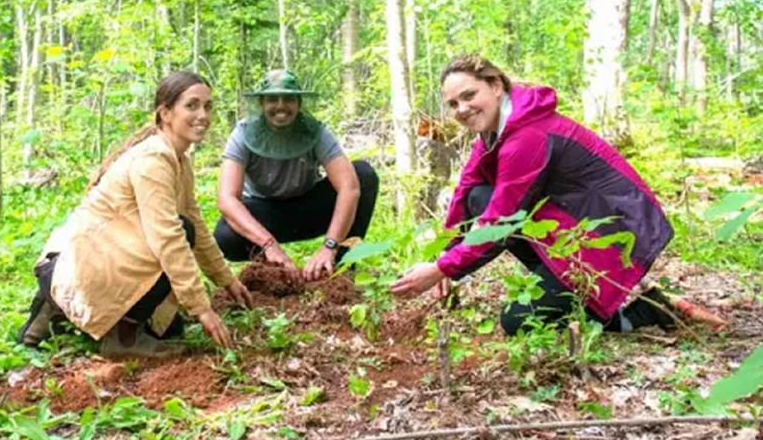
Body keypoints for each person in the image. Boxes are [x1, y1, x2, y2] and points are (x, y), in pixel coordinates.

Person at [391, 55, 675, 334]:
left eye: (469, 95)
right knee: (478, 196)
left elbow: (500, 223)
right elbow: (467, 188)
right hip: (574, 222)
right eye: (453, 103)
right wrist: (445, 254)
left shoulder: (526, 136)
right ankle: (568, 291)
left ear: (496, 86)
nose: (462, 109)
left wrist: (441, 269)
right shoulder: (496, 129)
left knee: (518, 321)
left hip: (619, 231)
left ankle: (638, 314)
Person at [18, 71, 253, 356]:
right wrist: (201, 308)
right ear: (165, 113)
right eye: (191, 105)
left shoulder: (179, 160)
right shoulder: (153, 159)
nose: (202, 115)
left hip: (96, 262)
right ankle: (121, 337)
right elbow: (168, 237)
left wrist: (226, 279)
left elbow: (198, 226)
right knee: (180, 232)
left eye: (207, 106)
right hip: (80, 265)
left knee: (172, 326)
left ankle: (60, 311)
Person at [214, 69, 379, 282]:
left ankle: (340, 265)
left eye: (289, 99)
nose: (281, 106)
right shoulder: (243, 134)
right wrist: (269, 244)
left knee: (363, 174)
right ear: (262, 104)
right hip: (263, 211)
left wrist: (330, 246)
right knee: (225, 234)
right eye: (273, 99)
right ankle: (273, 270)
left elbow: (349, 187)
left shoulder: (316, 132)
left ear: (299, 104)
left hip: (306, 207)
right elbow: (227, 198)